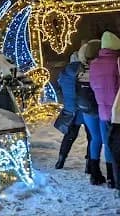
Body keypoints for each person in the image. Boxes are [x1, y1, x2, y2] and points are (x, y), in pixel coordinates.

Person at [89, 31, 120, 188]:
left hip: (103, 112)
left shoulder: (94, 64)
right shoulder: (117, 62)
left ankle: (111, 178)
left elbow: (93, 86)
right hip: (117, 112)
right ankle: (115, 178)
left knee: (108, 144)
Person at [55, 47, 91, 170]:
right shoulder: (83, 73)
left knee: (69, 136)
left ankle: (61, 159)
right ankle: (89, 163)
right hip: (85, 109)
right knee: (91, 137)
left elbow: (60, 90)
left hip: (71, 111)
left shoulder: (64, 73)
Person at [75, 40, 102, 181]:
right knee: (104, 139)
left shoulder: (81, 70)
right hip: (100, 107)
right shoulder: (99, 68)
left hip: (86, 109)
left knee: (94, 138)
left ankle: (93, 171)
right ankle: (111, 175)